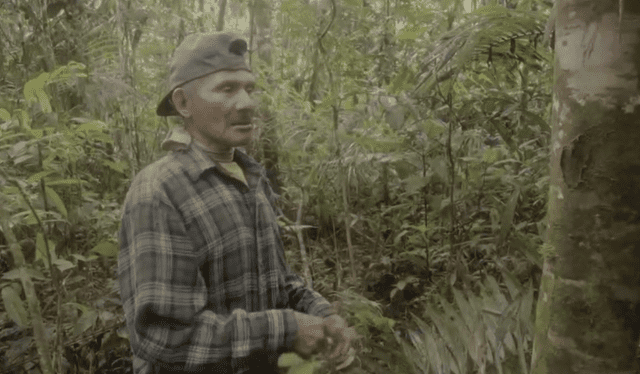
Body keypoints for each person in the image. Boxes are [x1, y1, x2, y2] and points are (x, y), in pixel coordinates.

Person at [117, 32, 358, 374]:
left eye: (249, 88)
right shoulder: (159, 191)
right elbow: (165, 339)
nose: (247, 103)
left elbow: (275, 279)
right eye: (227, 89)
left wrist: (322, 315)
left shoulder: (249, 177)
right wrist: (287, 329)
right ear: (183, 103)